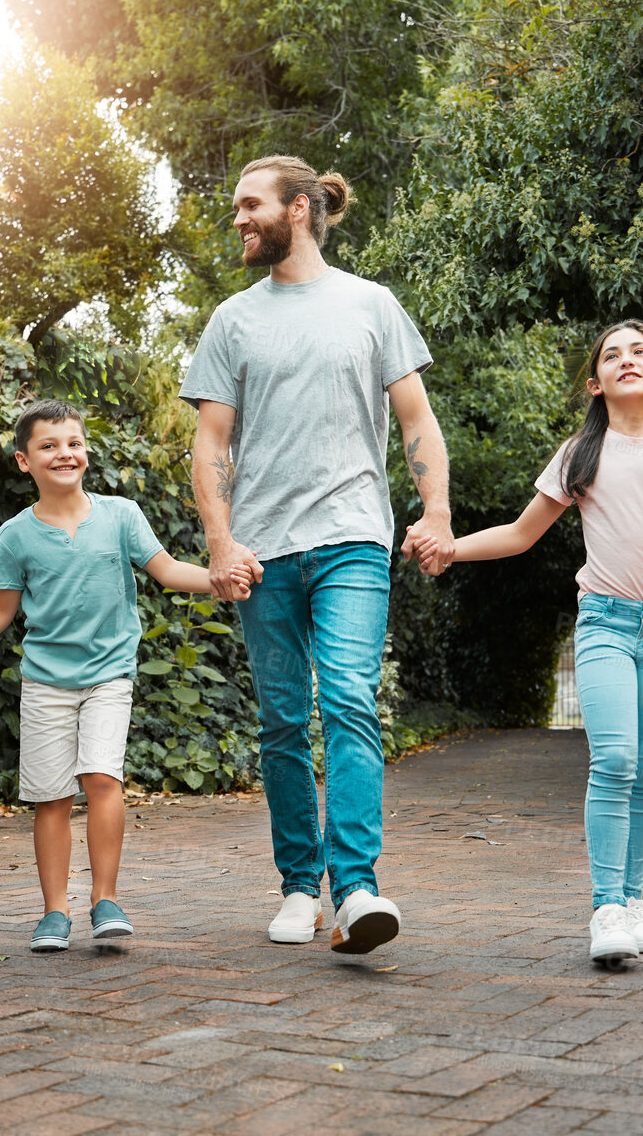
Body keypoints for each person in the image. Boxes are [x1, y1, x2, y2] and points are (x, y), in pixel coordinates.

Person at [410, 319, 643, 967]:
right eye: (612, 355)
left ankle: (633, 899)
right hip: (606, 626)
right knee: (615, 760)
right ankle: (604, 907)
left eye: (640, 351)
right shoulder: (579, 456)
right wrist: (451, 548)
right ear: (596, 385)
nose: (627, 360)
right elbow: (518, 534)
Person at [182, 155, 454, 954]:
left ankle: (357, 887)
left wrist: (435, 510)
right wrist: (221, 542)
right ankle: (299, 885)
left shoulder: (371, 305)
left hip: (353, 540)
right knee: (282, 721)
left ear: (297, 209)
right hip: (263, 553)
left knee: (347, 702)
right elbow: (211, 441)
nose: (239, 218)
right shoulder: (233, 319)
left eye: (250, 205)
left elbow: (416, 420)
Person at [0, 400, 251, 953]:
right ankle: (54, 912)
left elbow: (169, 571)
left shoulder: (121, 515)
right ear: (23, 461)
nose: (65, 453)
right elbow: (0, 610)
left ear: (87, 452)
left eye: (74, 443)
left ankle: (105, 899)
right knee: (51, 797)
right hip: (45, 683)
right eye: (49, 446)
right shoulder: (14, 536)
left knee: (102, 778)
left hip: (109, 675)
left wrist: (218, 578)